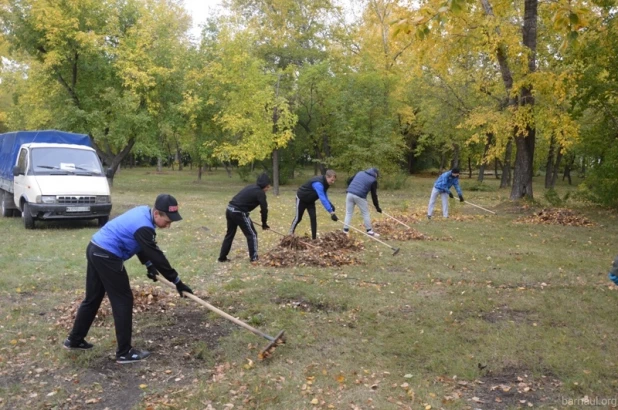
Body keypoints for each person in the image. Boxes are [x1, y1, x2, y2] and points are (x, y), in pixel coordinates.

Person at [63, 194, 193, 364]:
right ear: (157, 214)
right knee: (123, 300)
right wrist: (178, 282)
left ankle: (74, 340)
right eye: (167, 221)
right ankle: (124, 352)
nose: (168, 226)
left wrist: (148, 265)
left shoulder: (142, 212)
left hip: (95, 248)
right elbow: (158, 256)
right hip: (107, 255)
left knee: (93, 298)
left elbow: (139, 244)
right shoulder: (145, 227)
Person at [218, 173, 271, 263]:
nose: (268, 188)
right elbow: (264, 210)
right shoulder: (260, 193)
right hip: (239, 212)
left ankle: (222, 258)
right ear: (265, 186)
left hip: (230, 209)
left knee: (230, 234)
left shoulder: (250, 187)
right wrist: (264, 224)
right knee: (252, 234)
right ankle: (254, 258)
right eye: (268, 186)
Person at [289, 170, 338, 240]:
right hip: (301, 199)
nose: (333, 182)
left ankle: (314, 239)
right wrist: (331, 212)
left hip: (310, 201)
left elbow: (324, 194)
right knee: (298, 218)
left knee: (313, 218)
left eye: (334, 181)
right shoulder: (318, 184)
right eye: (332, 180)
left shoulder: (326, 183)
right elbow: (322, 198)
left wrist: (330, 204)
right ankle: (290, 234)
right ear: (327, 177)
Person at [343, 167, 381, 236]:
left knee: (348, 213)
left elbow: (349, 181)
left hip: (349, 193)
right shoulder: (373, 180)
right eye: (377, 175)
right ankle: (369, 231)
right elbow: (374, 195)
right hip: (359, 196)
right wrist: (377, 207)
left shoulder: (360, 173)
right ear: (375, 174)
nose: (377, 177)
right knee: (365, 213)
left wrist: (352, 188)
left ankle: (345, 231)